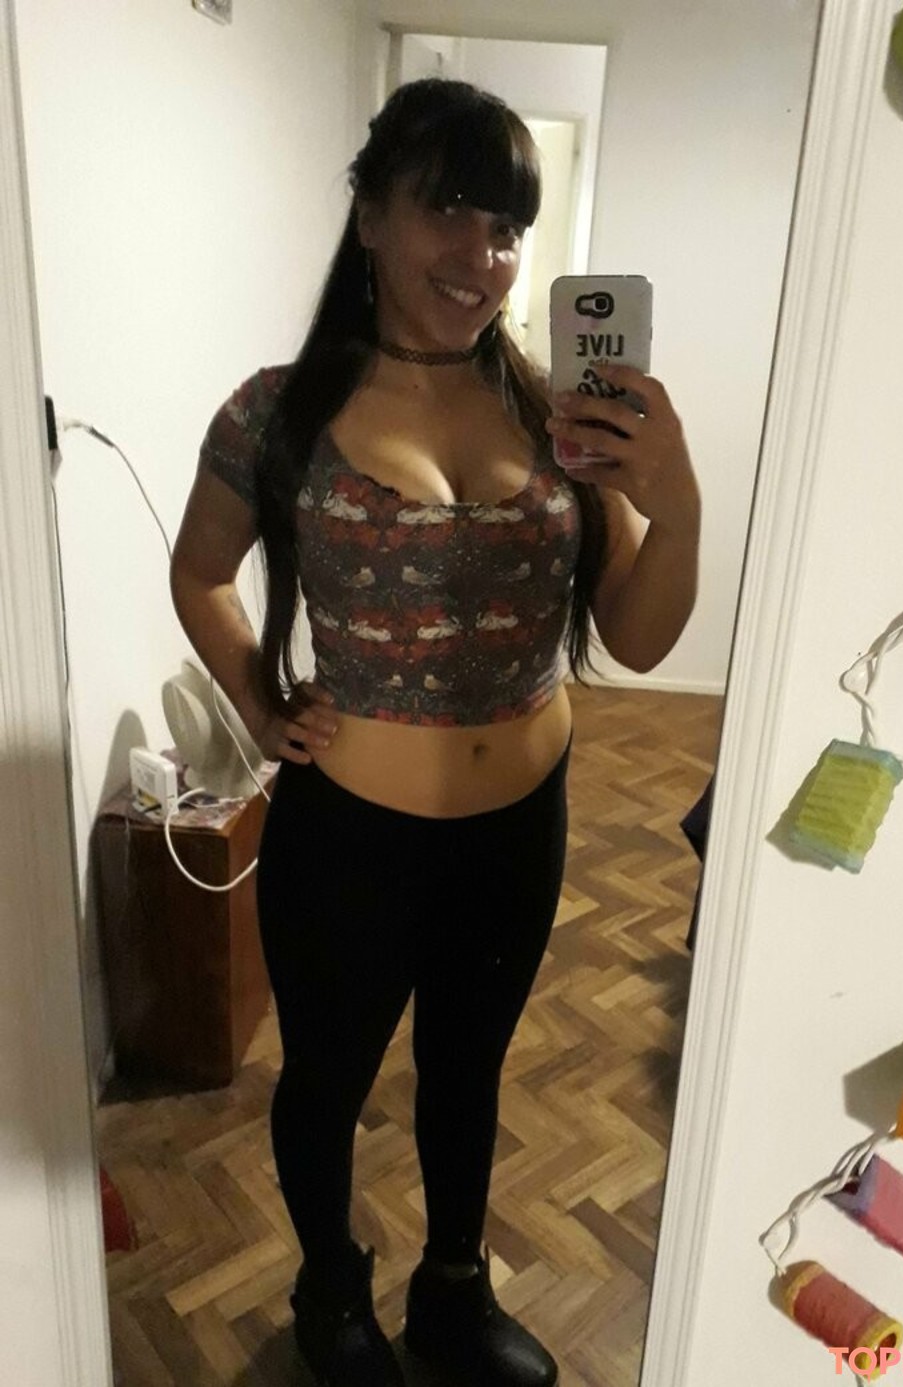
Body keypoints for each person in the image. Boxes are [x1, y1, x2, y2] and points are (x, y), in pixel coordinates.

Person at [170, 77, 701, 1387]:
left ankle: (455, 1294)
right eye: (448, 210)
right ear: (369, 215)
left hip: (520, 824)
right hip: (349, 835)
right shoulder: (275, 412)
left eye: (507, 225)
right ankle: (329, 1289)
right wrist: (259, 701)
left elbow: (639, 639)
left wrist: (677, 498)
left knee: (472, 1066)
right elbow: (200, 573)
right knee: (328, 1077)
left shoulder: (559, 416)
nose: (483, 254)